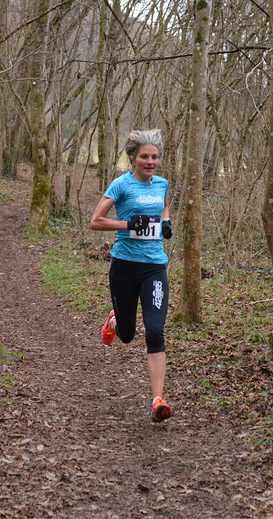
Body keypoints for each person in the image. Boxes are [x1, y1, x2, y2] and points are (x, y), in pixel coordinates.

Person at [90, 129, 174, 422]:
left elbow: (164, 206)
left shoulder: (162, 184)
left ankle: (157, 400)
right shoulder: (120, 185)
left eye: (155, 157)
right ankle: (115, 320)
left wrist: (166, 222)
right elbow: (96, 221)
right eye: (144, 157)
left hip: (154, 268)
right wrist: (128, 225)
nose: (150, 162)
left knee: (155, 331)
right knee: (126, 335)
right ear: (133, 158)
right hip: (124, 266)